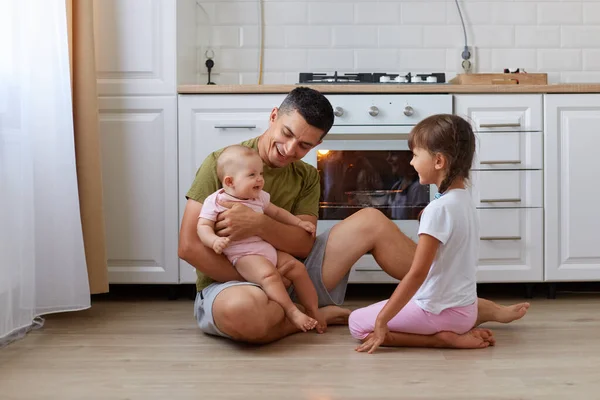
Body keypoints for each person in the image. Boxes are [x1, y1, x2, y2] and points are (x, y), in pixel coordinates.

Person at [178, 87, 530, 347]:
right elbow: (190, 247)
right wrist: (259, 279)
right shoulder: (222, 162)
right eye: (286, 134)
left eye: (304, 146)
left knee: (372, 221)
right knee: (244, 311)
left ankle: (459, 303)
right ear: (274, 117)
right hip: (235, 281)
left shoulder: (306, 176)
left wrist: (259, 225)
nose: (290, 150)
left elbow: (303, 244)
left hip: (293, 272)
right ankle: (314, 315)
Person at [349, 114, 497, 354]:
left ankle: (442, 340)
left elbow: (417, 274)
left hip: (439, 312)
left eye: (416, 155)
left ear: (438, 161)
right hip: (466, 310)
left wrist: (382, 320)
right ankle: (454, 331)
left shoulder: (438, 209)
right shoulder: (464, 200)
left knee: (356, 323)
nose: (411, 162)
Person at [196, 144, 323, 332]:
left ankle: (314, 311)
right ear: (230, 182)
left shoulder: (259, 197)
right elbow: (202, 226)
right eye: (252, 175)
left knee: (298, 268)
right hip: (245, 256)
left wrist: (298, 223)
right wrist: (214, 240)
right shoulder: (215, 201)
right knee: (269, 276)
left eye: (261, 174)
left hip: (267, 249)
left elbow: (278, 213)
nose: (260, 179)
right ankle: (292, 312)